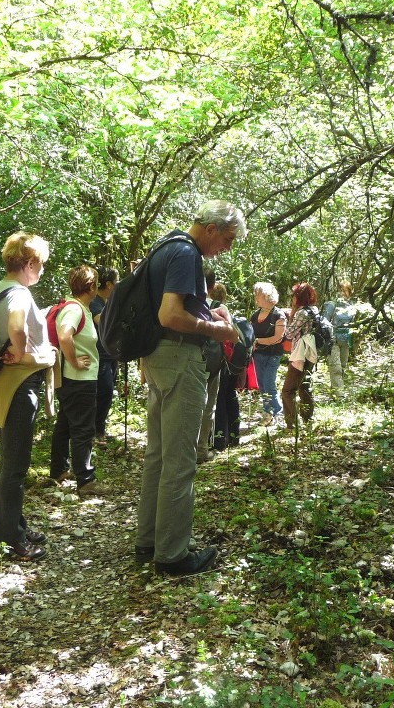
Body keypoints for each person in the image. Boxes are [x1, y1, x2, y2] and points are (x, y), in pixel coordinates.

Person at [135, 200, 245, 576]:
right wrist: (220, 329)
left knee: (159, 455)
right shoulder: (187, 254)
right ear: (212, 228)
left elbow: (165, 310)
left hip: (158, 357)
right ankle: (173, 555)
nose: (227, 248)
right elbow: (170, 315)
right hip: (180, 359)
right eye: (228, 239)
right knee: (180, 460)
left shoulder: (166, 244)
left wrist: (203, 313)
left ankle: (148, 540)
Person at [0, 231, 54, 561]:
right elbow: (16, 325)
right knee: (15, 467)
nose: (41, 271)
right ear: (28, 263)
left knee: (12, 463)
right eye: (40, 265)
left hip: (5, 385)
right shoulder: (19, 293)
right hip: (19, 386)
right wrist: (25, 352)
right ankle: (8, 538)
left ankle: (16, 526)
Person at [49, 265, 108, 498]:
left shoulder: (74, 307)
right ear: (91, 286)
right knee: (83, 429)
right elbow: (65, 335)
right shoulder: (76, 310)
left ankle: (59, 470)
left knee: (64, 424)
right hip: (79, 380)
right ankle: (86, 480)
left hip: (70, 380)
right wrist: (74, 361)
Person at [197, 269, 229, 464]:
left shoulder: (183, 305)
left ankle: (186, 450)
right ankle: (201, 449)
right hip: (213, 363)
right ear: (211, 286)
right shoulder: (219, 307)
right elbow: (229, 333)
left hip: (189, 361)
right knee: (208, 406)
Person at [281, 282, 320, 433]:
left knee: (287, 390)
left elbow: (289, 334)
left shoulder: (301, 313)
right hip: (312, 353)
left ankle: (292, 425)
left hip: (300, 355)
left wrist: (290, 316)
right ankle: (308, 419)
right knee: (305, 386)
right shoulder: (314, 310)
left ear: (298, 297)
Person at [250, 282, 287, 426]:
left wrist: (258, 341)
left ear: (266, 296)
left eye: (258, 295)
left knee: (269, 384)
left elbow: (278, 338)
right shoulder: (255, 315)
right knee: (262, 386)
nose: (256, 298)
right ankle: (268, 414)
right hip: (258, 355)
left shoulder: (279, 315)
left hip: (273, 355)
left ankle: (279, 413)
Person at [90, 266, 120, 445]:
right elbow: (100, 321)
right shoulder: (95, 302)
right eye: (115, 283)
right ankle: (95, 430)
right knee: (103, 392)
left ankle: (99, 428)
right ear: (108, 284)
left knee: (107, 393)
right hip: (99, 356)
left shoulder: (106, 301)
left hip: (110, 355)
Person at [210, 282, 240, 452]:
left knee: (218, 397)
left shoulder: (213, 309)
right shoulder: (226, 310)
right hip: (230, 359)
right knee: (229, 394)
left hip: (216, 358)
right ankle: (233, 436)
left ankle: (219, 439)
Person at [321, 281, 356, 395]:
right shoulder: (332, 305)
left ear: (350, 292)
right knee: (335, 367)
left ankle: (335, 392)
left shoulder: (351, 306)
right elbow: (324, 322)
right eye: (341, 290)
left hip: (346, 340)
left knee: (342, 367)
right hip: (333, 340)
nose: (343, 293)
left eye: (345, 290)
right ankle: (339, 395)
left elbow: (353, 324)